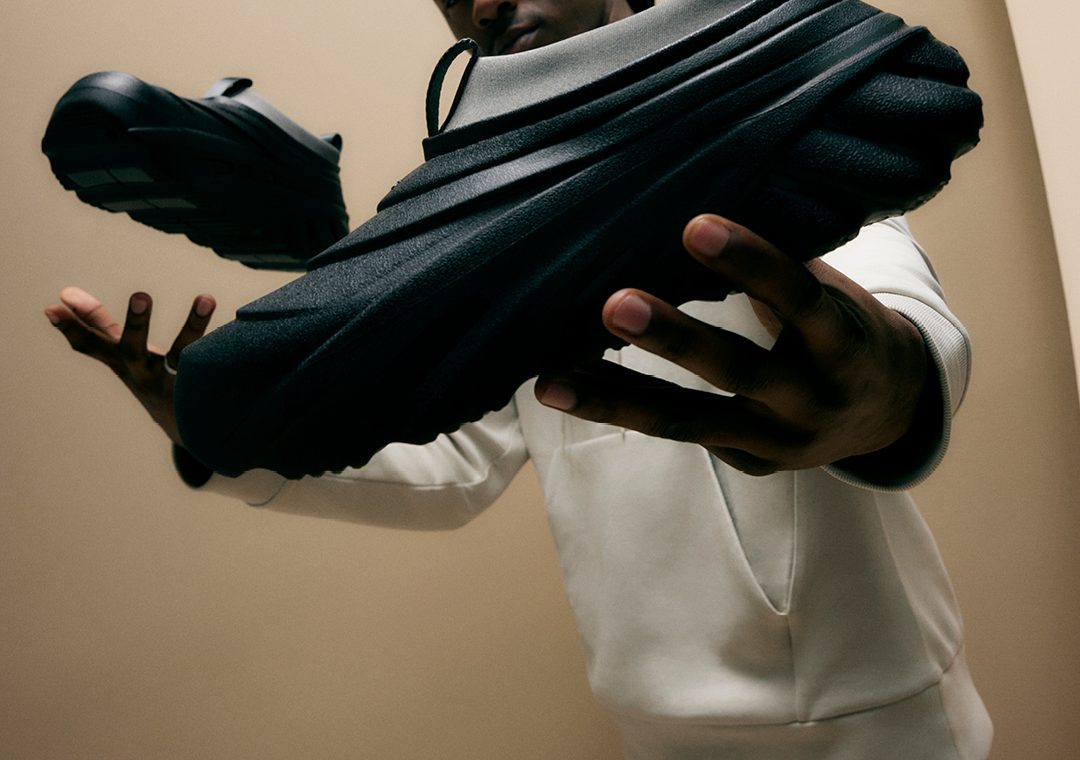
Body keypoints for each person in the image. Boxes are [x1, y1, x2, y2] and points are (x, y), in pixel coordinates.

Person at [44, 1, 992, 757]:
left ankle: (649, 97)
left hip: (876, 722)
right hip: (655, 727)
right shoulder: (507, 249)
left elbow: (898, 312)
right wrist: (212, 435)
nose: (483, 2)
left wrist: (891, 387)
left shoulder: (773, 133)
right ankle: (360, 241)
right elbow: (455, 466)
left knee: (749, 192)